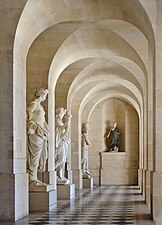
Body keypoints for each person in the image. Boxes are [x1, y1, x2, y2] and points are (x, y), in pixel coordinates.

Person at [26, 88, 49, 186]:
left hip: (41, 133)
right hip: (35, 132)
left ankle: (34, 177)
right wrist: (32, 125)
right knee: (34, 156)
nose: (45, 97)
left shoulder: (40, 106)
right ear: (41, 95)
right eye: (45, 95)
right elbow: (27, 115)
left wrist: (47, 130)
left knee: (38, 157)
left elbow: (43, 121)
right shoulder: (34, 104)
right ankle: (32, 178)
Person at [55, 107, 72, 184]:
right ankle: (51, 170)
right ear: (59, 113)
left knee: (63, 160)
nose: (63, 113)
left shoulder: (61, 121)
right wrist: (67, 121)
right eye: (62, 112)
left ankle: (60, 175)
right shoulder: (57, 120)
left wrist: (68, 121)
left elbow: (66, 132)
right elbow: (60, 131)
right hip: (60, 143)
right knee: (61, 159)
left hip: (63, 142)